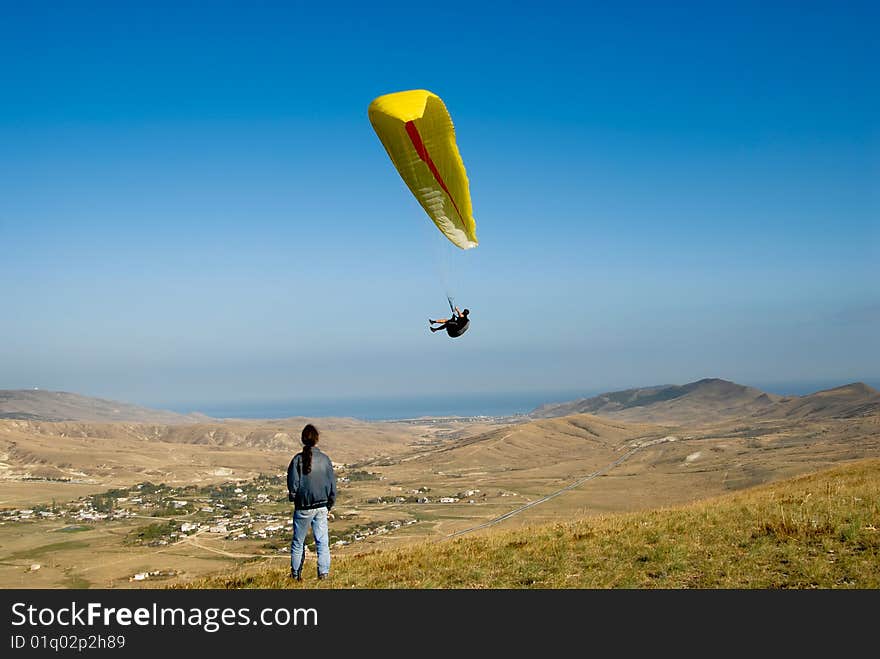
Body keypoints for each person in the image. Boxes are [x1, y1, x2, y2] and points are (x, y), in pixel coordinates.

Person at [287, 423, 337, 581]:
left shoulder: (297, 460)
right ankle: (323, 574)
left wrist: (295, 497)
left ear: (303, 439)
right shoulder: (325, 459)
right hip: (321, 506)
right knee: (322, 542)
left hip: (303, 506)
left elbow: (293, 484)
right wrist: (329, 504)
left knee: (298, 542)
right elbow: (332, 485)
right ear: (317, 439)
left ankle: (296, 575)